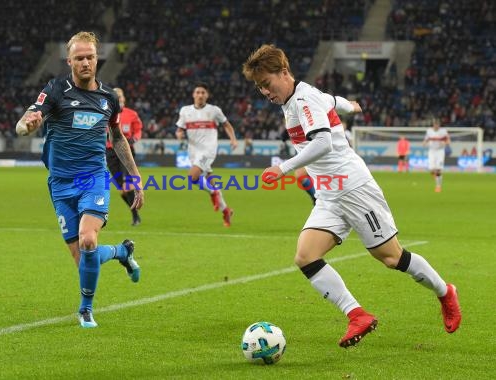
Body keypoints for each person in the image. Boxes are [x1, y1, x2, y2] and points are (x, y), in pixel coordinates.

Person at [242, 44, 461, 348]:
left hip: (355, 189)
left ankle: (445, 292)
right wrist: (352, 105)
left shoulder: (304, 100)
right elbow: (335, 101)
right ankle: (357, 314)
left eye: (266, 83)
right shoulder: (301, 97)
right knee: (305, 257)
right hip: (330, 195)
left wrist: (283, 168)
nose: (264, 92)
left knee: (391, 257)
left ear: (283, 73)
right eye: (259, 87)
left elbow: (323, 144)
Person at [15, 31, 144, 329]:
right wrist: (27, 125)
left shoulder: (109, 98)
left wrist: (135, 178)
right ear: (69, 60)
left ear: (97, 59)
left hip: (93, 178)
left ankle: (85, 309)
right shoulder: (56, 89)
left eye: (90, 57)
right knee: (85, 258)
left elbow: (118, 137)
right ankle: (122, 252)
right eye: (79, 58)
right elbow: (32, 115)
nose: (85, 62)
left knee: (88, 239)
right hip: (60, 183)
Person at [175, 82, 238, 227]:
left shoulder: (214, 110)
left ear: (207, 95)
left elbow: (227, 125)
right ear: (193, 95)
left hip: (208, 149)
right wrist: (179, 134)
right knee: (210, 181)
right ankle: (226, 211)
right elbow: (179, 129)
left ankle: (213, 192)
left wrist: (233, 139)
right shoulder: (185, 111)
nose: (200, 95)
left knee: (192, 177)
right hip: (193, 150)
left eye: (203, 92)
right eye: (197, 92)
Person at [106, 87, 143, 226]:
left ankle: (135, 218)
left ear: (123, 99)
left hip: (126, 151)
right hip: (110, 152)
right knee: (122, 191)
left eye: (120, 97)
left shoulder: (132, 114)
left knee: (127, 186)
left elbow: (138, 130)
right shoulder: (107, 113)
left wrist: (135, 139)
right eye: (116, 97)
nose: (118, 99)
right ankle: (135, 214)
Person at [423, 118, 450, 192]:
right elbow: (425, 140)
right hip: (431, 151)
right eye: (435, 124)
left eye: (437, 124)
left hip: (440, 151)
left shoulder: (443, 131)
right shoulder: (429, 131)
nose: (436, 126)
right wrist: (424, 143)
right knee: (431, 169)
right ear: (433, 125)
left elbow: (448, 141)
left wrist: (445, 143)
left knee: (438, 169)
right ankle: (437, 178)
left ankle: (438, 186)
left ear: (439, 125)